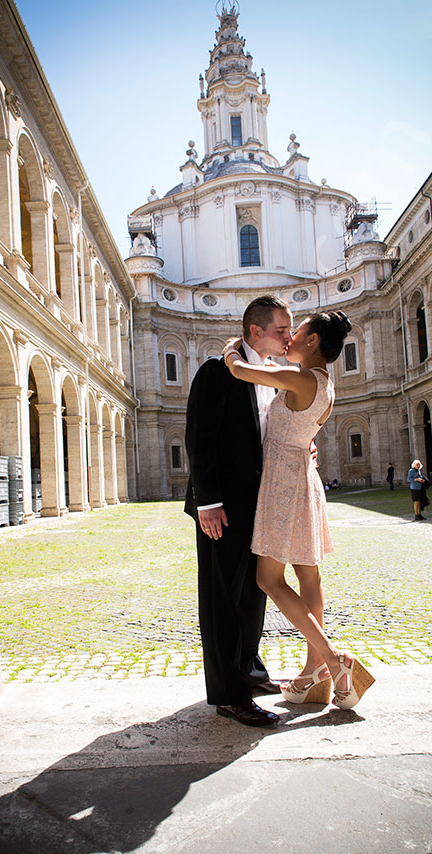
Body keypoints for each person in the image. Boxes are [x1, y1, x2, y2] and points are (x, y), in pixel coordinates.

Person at [222, 311, 375, 711]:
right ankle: (313, 673)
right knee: (309, 573)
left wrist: (230, 353)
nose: (290, 337)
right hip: (303, 479)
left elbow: (241, 371)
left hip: (283, 484)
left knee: (268, 579)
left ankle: (333, 659)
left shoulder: (300, 378)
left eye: (298, 331)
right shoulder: (324, 383)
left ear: (312, 341)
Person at [185, 296, 294, 727]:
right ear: (255, 331)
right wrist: (207, 501)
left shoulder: (271, 376)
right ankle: (229, 695)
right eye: (281, 330)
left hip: (260, 504)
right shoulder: (217, 371)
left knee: (254, 592)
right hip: (223, 509)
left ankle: (248, 670)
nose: (289, 337)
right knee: (222, 598)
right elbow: (199, 438)